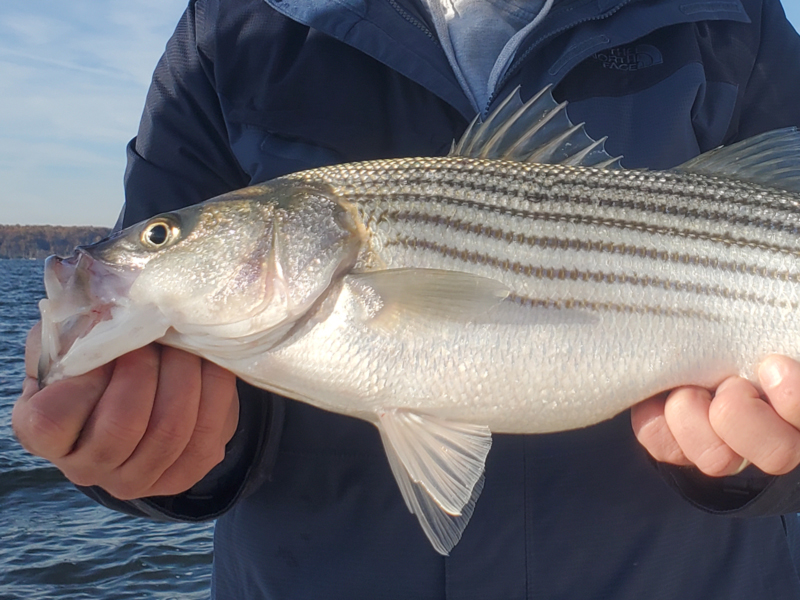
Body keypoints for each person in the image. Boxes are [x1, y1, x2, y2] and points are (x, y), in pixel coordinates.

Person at [12, 0, 800, 597]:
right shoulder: (230, 28)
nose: (140, 251)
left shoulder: (734, 16)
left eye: (159, 240)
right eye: (162, 236)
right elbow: (153, 371)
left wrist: (771, 468)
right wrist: (158, 448)